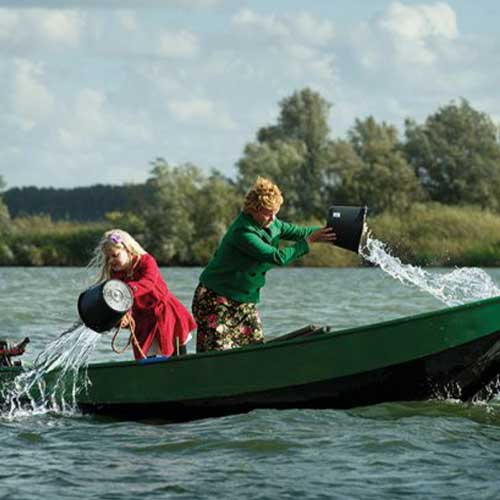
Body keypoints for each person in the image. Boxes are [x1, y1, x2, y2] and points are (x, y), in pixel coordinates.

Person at [192, 177, 336, 353]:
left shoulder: (273, 223)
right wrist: (308, 242)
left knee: (254, 348)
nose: (272, 218)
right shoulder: (243, 232)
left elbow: (301, 232)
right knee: (217, 354)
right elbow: (277, 257)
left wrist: (333, 231)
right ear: (254, 209)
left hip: (244, 302)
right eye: (268, 213)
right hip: (215, 300)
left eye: (275, 212)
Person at [89, 229, 196, 360]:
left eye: (115, 255)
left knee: (177, 355)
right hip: (143, 322)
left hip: (166, 315)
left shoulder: (146, 261)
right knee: (147, 360)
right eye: (108, 257)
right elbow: (120, 302)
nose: (111, 260)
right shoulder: (116, 275)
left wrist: (126, 290)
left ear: (128, 249)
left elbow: (148, 282)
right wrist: (121, 317)